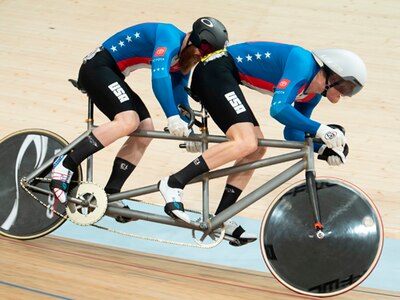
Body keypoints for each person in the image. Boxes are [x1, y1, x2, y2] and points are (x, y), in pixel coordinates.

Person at [158, 41, 367, 246]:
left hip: (227, 77)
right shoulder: (303, 63)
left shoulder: (311, 96)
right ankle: (174, 182)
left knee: (256, 149)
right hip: (215, 69)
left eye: (352, 91)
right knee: (245, 141)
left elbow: (293, 133)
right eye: (348, 87)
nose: (346, 95)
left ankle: (222, 216)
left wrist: (322, 150)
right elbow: (278, 109)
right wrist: (323, 130)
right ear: (334, 76)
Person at [50, 17, 227, 223]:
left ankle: (112, 193)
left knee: (145, 129)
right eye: (202, 49)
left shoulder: (186, 58)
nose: (201, 55)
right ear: (192, 39)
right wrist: (172, 118)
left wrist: (188, 129)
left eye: (207, 54)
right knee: (128, 120)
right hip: (98, 67)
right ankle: (65, 163)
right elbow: (159, 77)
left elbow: (178, 93)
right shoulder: (169, 37)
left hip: (113, 74)